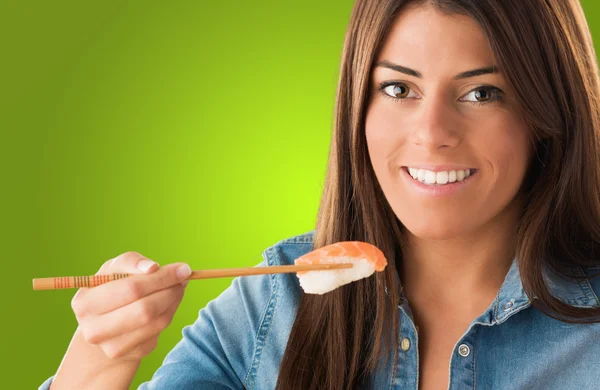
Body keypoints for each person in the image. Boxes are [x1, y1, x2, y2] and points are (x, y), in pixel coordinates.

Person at [40, 0, 600, 389]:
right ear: (358, 105)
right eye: (398, 88)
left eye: (482, 92)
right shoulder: (269, 308)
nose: (432, 133)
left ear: (548, 112)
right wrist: (97, 361)